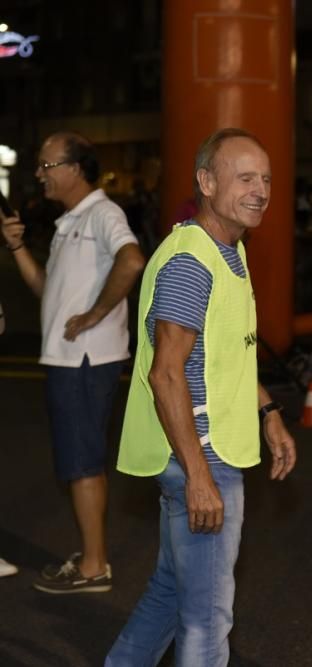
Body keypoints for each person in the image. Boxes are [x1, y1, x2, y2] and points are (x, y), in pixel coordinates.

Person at [105, 128, 297, 666]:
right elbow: (166, 374)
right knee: (208, 618)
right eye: (245, 178)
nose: (260, 190)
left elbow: (229, 350)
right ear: (207, 183)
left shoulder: (225, 250)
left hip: (199, 451)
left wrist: (269, 412)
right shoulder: (192, 262)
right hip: (202, 454)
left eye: (266, 179)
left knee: (171, 592)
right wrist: (198, 476)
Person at [1, 132, 146, 594]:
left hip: (86, 359)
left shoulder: (103, 213)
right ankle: (91, 557)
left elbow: (132, 260)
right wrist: (18, 247)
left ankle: (94, 567)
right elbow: (47, 291)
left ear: (74, 169)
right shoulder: (70, 222)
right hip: (68, 359)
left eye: (47, 166)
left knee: (83, 462)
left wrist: (97, 313)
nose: (40, 174)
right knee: (78, 460)